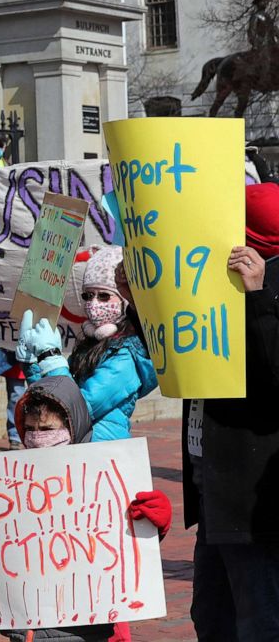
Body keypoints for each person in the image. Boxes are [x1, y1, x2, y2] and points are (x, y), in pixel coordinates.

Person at [0, 375, 172, 642]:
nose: (39, 437)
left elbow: (124, 548)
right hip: (25, 629)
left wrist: (156, 522)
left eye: (49, 428)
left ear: (72, 427)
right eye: (30, 428)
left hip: (89, 631)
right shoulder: (6, 484)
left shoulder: (102, 478)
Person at [183, 182, 279, 641]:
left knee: (258, 621)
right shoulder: (215, 289)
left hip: (251, 502)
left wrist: (258, 297)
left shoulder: (262, 293)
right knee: (211, 615)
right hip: (213, 493)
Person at [17, 246, 157, 441]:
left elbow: (75, 409)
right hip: (82, 448)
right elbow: (48, 408)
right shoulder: (90, 346)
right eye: (88, 295)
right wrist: (32, 362)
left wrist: (50, 357)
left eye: (104, 295)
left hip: (102, 453)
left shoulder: (126, 354)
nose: (94, 303)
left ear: (124, 301)